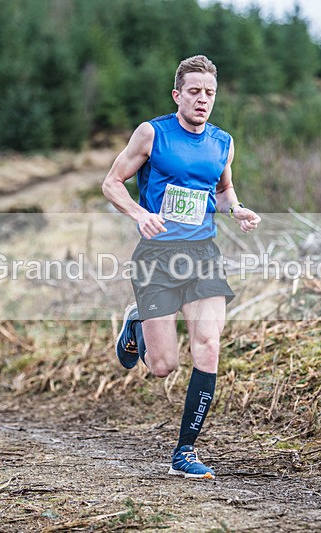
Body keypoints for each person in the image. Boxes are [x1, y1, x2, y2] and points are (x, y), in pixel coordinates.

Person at [102, 55, 260, 479]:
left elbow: (223, 191)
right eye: (194, 92)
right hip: (157, 258)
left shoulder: (222, 142)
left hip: (203, 254)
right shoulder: (152, 134)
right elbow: (111, 182)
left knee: (208, 344)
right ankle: (135, 324)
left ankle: (184, 452)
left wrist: (239, 210)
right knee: (162, 366)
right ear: (178, 95)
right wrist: (138, 213)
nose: (202, 99)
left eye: (209, 93)